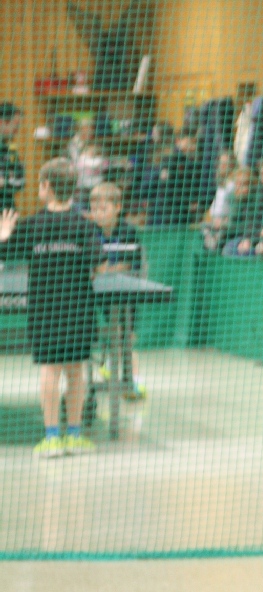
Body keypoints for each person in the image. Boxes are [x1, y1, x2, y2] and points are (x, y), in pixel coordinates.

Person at [0, 159, 102, 457]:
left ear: (46, 186)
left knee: (50, 370)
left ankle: (51, 437)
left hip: (45, 311)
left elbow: (5, 253)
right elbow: (98, 264)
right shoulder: (84, 225)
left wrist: (4, 233)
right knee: (76, 370)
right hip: (78, 310)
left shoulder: (31, 225)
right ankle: (75, 435)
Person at [89, 182, 146, 400]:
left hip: (126, 290)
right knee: (120, 333)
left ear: (118, 207)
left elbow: (128, 263)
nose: (98, 213)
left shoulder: (128, 231)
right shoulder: (90, 231)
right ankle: (120, 371)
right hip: (100, 291)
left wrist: (105, 270)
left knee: (126, 334)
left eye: (103, 209)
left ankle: (131, 378)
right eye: (94, 209)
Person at [143, 125, 206, 227]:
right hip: (167, 212)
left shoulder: (189, 161)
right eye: (190, 142)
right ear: (179, 140)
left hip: (176, 211)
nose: (193, 146)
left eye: (194, 142)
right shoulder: (172, 159)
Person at [0, 102, 26, 211]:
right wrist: (9, 176)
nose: (17, 130)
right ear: (1, 122)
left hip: (7, 211)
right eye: (15, 126)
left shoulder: (10, 149)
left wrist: (5, 181)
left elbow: (21, 180)